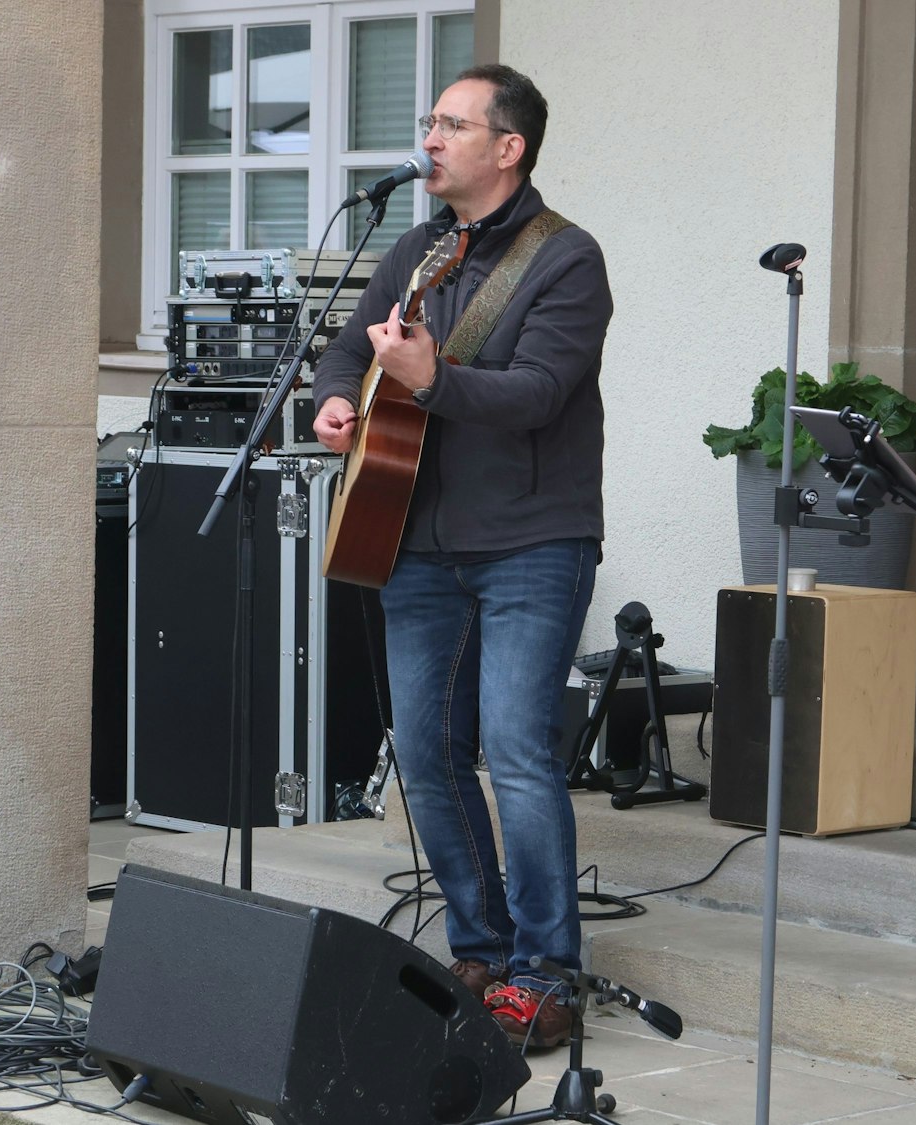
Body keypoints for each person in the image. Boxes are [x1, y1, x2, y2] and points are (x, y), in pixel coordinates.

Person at [311, 63, 612, 1047]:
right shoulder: (414, 246)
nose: (427, 140)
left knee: (517, 752)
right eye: (430, 122)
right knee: (427, 756)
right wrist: (336, 395)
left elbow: (535, 395)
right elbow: (348, 347)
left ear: (506, 147)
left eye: (450, 124)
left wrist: (433, 378)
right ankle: (479, 947)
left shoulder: (567, 261)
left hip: (532, 538)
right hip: (414, 535)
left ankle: (547, 972)